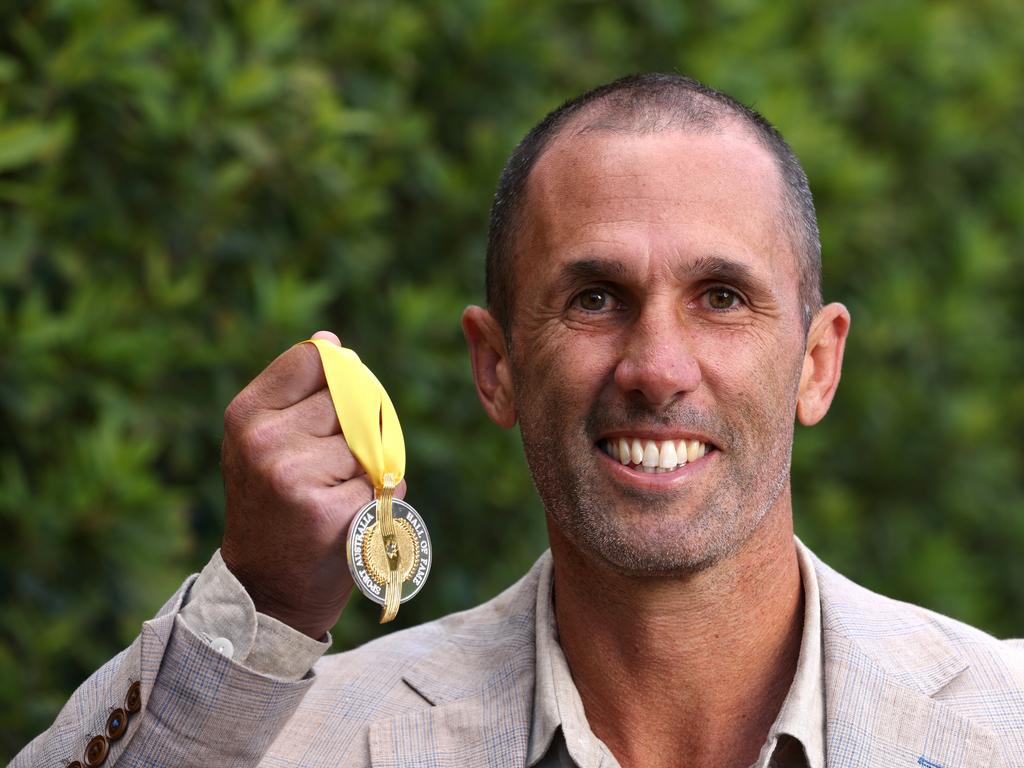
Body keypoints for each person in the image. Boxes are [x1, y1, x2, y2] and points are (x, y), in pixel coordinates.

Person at [13, 73, 1023, 768]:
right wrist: (259, 605)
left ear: (816, 363)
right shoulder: (305, 735)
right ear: (495, 368)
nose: (655, 368)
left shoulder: (1003, 724)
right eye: (593, 297)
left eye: (720, 296)